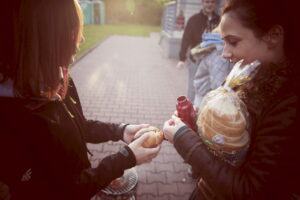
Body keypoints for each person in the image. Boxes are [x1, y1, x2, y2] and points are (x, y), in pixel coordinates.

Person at [0, 1, 160, 200]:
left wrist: (120, 130)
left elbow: (78, 126)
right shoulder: (10, 122)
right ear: (46, 37)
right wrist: (124, 159)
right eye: (72, 30)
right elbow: (61, 192)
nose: (81, 38)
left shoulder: (59, 79)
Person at [163, 0, 300, 199]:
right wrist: (197, 125)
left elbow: (250, 189)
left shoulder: (288, 102)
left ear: (273, 36)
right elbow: (228, 148)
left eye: (233, 42)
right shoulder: (248, 72)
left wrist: (185, 141)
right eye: (223, 41)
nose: (225, 53)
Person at [176, 0, 220, 103]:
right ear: (202, 3)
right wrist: (182, 58)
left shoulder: (220, 20)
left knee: (212, 87)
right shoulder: (193, 20)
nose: (209, 4)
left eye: (212, 2)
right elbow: (186, 38)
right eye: (207, 2)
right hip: (195, 60)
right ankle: (189, 112)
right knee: (193, 86)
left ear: (215, 4)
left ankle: (206, 113)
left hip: (214, 61)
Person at [192, 27, 233, 109]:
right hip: (207, 99)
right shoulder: (219, 53)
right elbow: (219, 86)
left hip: (203, 95)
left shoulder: (214, 47)